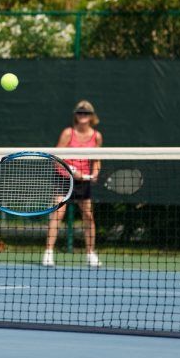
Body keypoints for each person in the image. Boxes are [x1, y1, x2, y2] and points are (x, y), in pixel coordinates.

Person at [42, 100, 103, 268]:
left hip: (84, 182)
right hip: (64, 178)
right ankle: (48, 253)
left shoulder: (96, 136)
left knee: (89, 217)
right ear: (75, 115)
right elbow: (56, 157)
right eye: (80, 113)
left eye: (86, 113)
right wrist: (72, 170)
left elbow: (97, 159)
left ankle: (90, 254)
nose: (83, 116)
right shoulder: (68, 133)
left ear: (92, 116)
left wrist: (96, 172)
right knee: (58, 214)